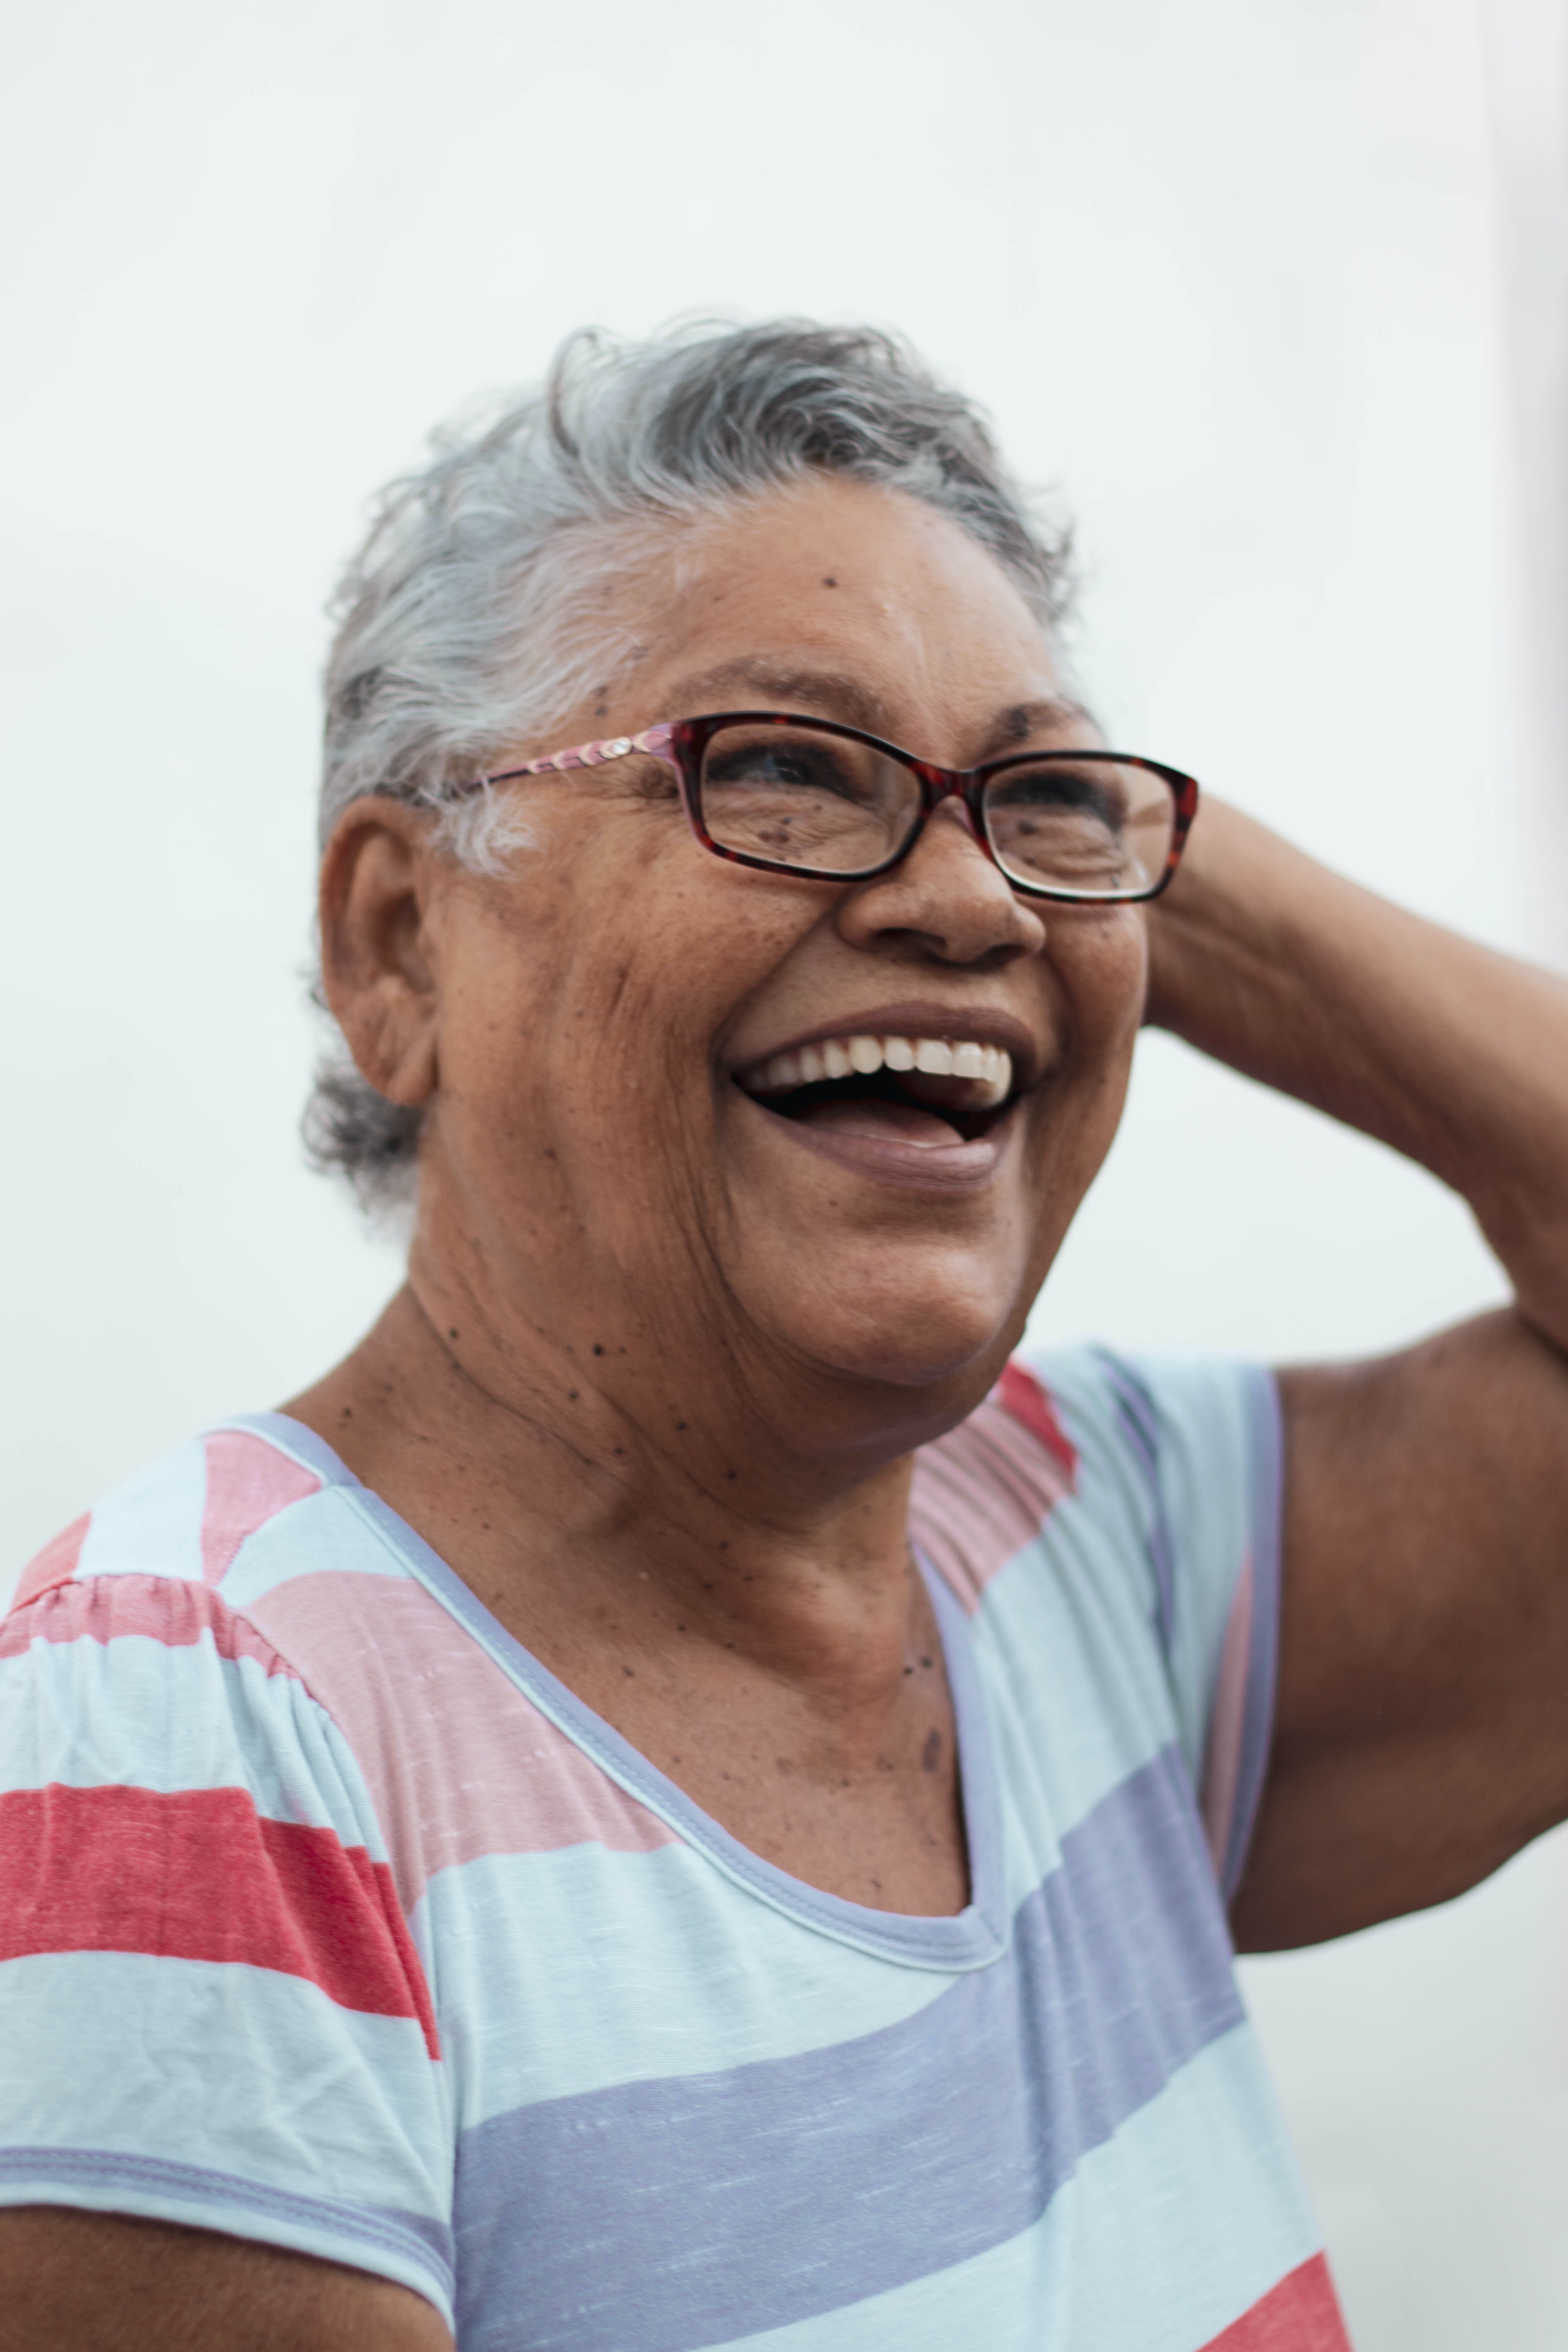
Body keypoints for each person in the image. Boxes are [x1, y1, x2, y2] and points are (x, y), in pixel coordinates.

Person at [2, 322, 1566, 2352]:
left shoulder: (1088, 1540)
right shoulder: (199, 1710)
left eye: (1034, 809)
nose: (967, 903)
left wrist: (1101, 833)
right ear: (402, 940)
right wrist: (1015, 789)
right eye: (776, 770)